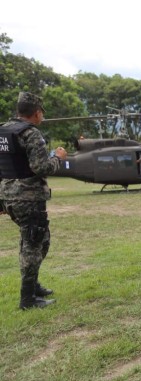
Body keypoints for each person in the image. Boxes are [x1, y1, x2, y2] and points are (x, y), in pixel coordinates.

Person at [0, 92, 67, 310]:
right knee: (33, 244)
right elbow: (42, 168)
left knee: (39, 240)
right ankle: (27, 299)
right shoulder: (31, 134)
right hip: (27, 197)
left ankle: (34, 285)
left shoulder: (3, 130)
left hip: (9, 195)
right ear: (36, 113)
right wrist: (58, 158)